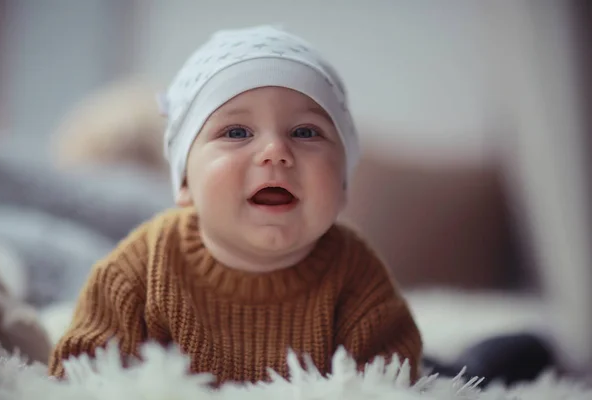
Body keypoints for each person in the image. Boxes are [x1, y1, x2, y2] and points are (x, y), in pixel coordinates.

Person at [48, 25, 422, 385]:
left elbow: (389, 380)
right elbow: (80, 376)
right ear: (184, 183)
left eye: (305, 132)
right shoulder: (142, 268)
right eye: (236, 132)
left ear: (342, 186)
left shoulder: (355, 273)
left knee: (465, 366)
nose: (276, 151)